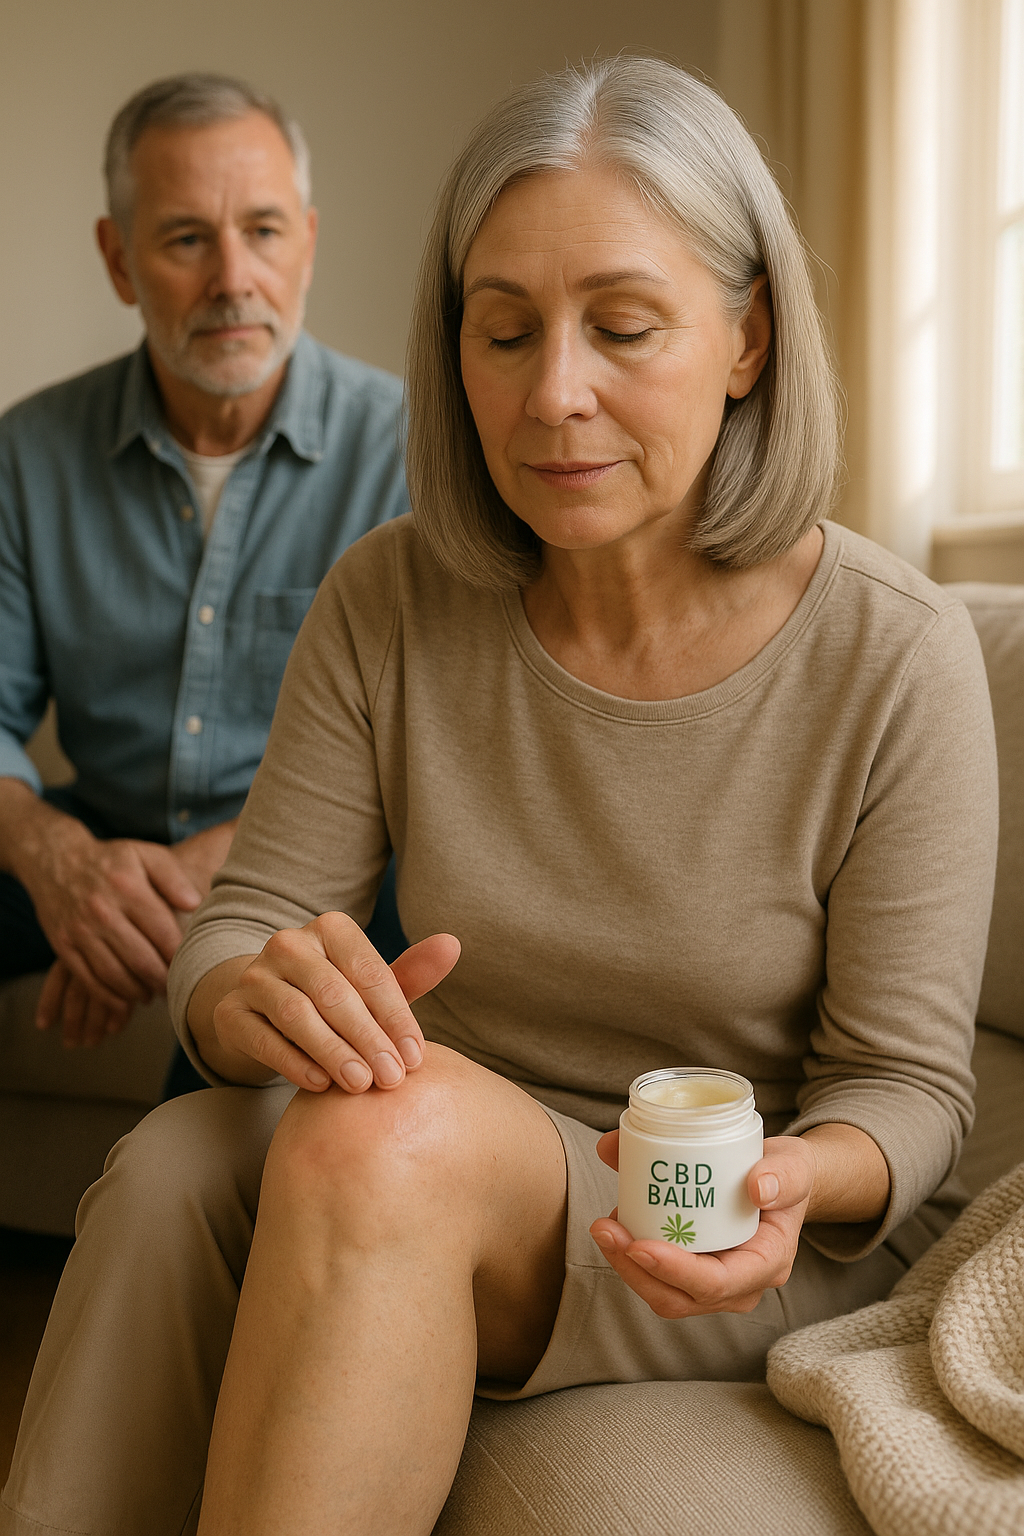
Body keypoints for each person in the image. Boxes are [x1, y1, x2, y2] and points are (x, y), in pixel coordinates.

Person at [1, 57, 997, 1536]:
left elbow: (911, 1096)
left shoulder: (894, 653)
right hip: (432, 1155)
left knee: (371, 1137)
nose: (555, 395)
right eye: (504, 331)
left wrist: (801, 1176)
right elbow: (249, 924)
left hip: (713, 1217)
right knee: (168, 1167)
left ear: (748, 337)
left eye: (625, 326)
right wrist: (251, 994)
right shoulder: (394, 595)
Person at [0, 73, 407, 1055]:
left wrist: (188, 893)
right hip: (100, 827)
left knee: (285, 975)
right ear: (119, 258)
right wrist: (58, 860)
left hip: (326, 859)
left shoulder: (413, 453)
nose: (234, 278)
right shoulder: (28, 453)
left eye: (263, 231)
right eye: (187, 238)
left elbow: (432, 756)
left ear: (306, 239)